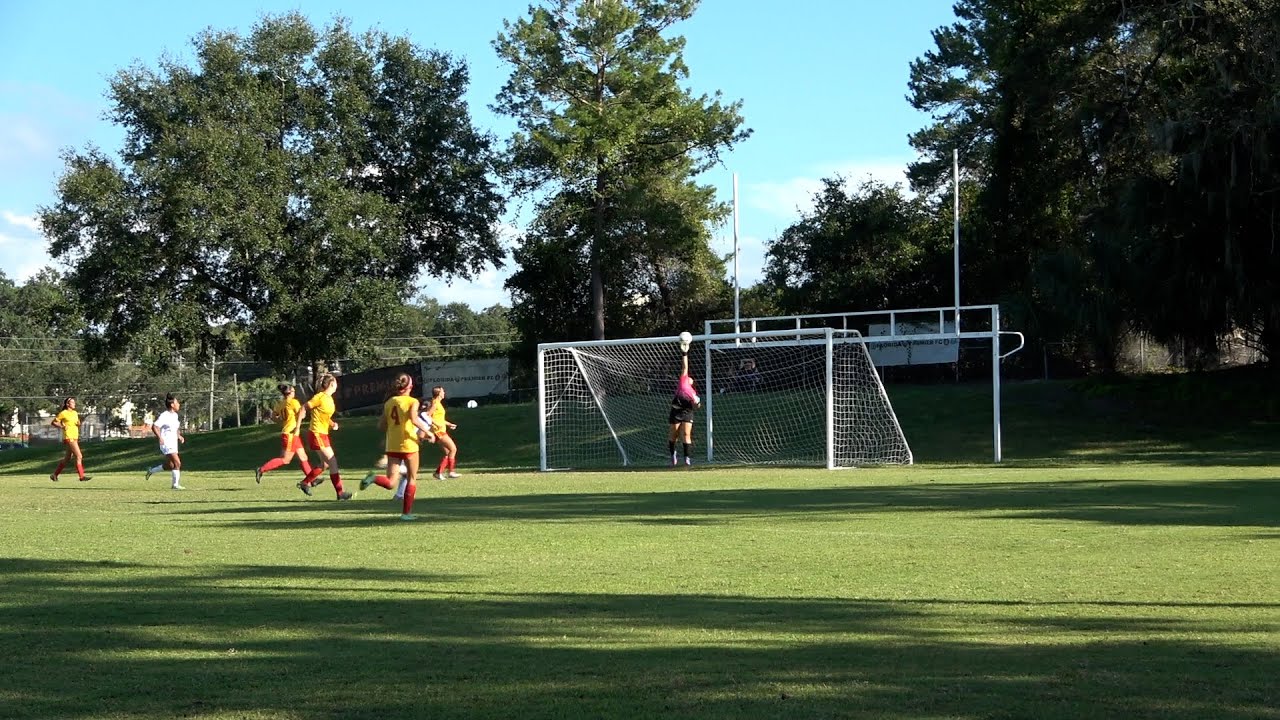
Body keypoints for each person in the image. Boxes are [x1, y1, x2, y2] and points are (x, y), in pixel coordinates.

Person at [360, 373, 434, 520]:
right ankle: (406, 514)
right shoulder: (412, 401)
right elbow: (413, 419)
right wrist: (428, 432)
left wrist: (392, 429)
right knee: (412, 478)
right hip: (408, 444)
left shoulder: (389, 402)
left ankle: (373, 478)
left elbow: (381, 425)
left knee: (391, 482)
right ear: (410, 387)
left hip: (392, 445)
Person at [299, 373, 351, 500]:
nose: (336, 385)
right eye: (335, 383)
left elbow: (324, 416)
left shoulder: (328, 398)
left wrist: (332, 424)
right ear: (331, 384)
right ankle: (340, 493)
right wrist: (298, 425)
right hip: (316, 434)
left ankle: (304, 483)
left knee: (325, 465)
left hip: (322, 434)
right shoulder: (320, 397)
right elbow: (305, 406)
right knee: (332, 462)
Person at [254, 383, 316, 486]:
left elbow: (274, 417)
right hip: (291, 433)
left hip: (288, 432)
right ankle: (261, 469)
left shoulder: (281, 404)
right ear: (290, 392)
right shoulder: (294, 402)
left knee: (303, 457)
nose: (294, 392)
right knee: (285, 459)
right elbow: (301, 414)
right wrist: (297, 426)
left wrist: (283, 421)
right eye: (293, 391)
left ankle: (311, 480)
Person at [668, 347, 701, 466]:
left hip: (687, 412)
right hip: (676, 411)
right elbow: (685, 367)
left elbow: (697, 406)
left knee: (686, 434)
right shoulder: (683, 382)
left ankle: (687, 458)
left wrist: (696, 403)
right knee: (673, 434)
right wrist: (684, 353)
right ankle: (673, 455)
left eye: (691, 378)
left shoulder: (693, 393)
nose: (689, 378)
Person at [145, 394, 186, 490]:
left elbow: (175, 428)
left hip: (173, 443)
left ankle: (151, 471)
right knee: (177, 463)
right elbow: (155, 426)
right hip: (166, 443)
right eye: (177, 403)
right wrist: (160, 438)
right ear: (172, 405)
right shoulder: (164, 415)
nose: (179, 404)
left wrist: (179, 436)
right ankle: (175, 485)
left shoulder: (175, 415)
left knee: (170, 465)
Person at [49, 396, 91, 482]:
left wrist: (79, 424)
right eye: (72, 402)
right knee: (79, 456)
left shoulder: (75, 413)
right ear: (67, 404)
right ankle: (82, 476)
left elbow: (77, 423)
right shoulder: (63, 413)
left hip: (75, 437)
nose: (74, 403)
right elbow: (53, 422)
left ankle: (54, 475)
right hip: (69, 437)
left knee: (67, 458)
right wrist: (62, 426)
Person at [425, 385, 460, 480]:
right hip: (438, 431)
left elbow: (440, 419)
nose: (444, 393)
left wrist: (449, 424)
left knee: (448, 452)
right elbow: (427, 415)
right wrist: (436, 424)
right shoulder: (435, 403)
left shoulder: (438, 403)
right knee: (453, 449)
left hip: (440, 430)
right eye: (443, 391)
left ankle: (438, 473)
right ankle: (451, 472)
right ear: (439, 393)